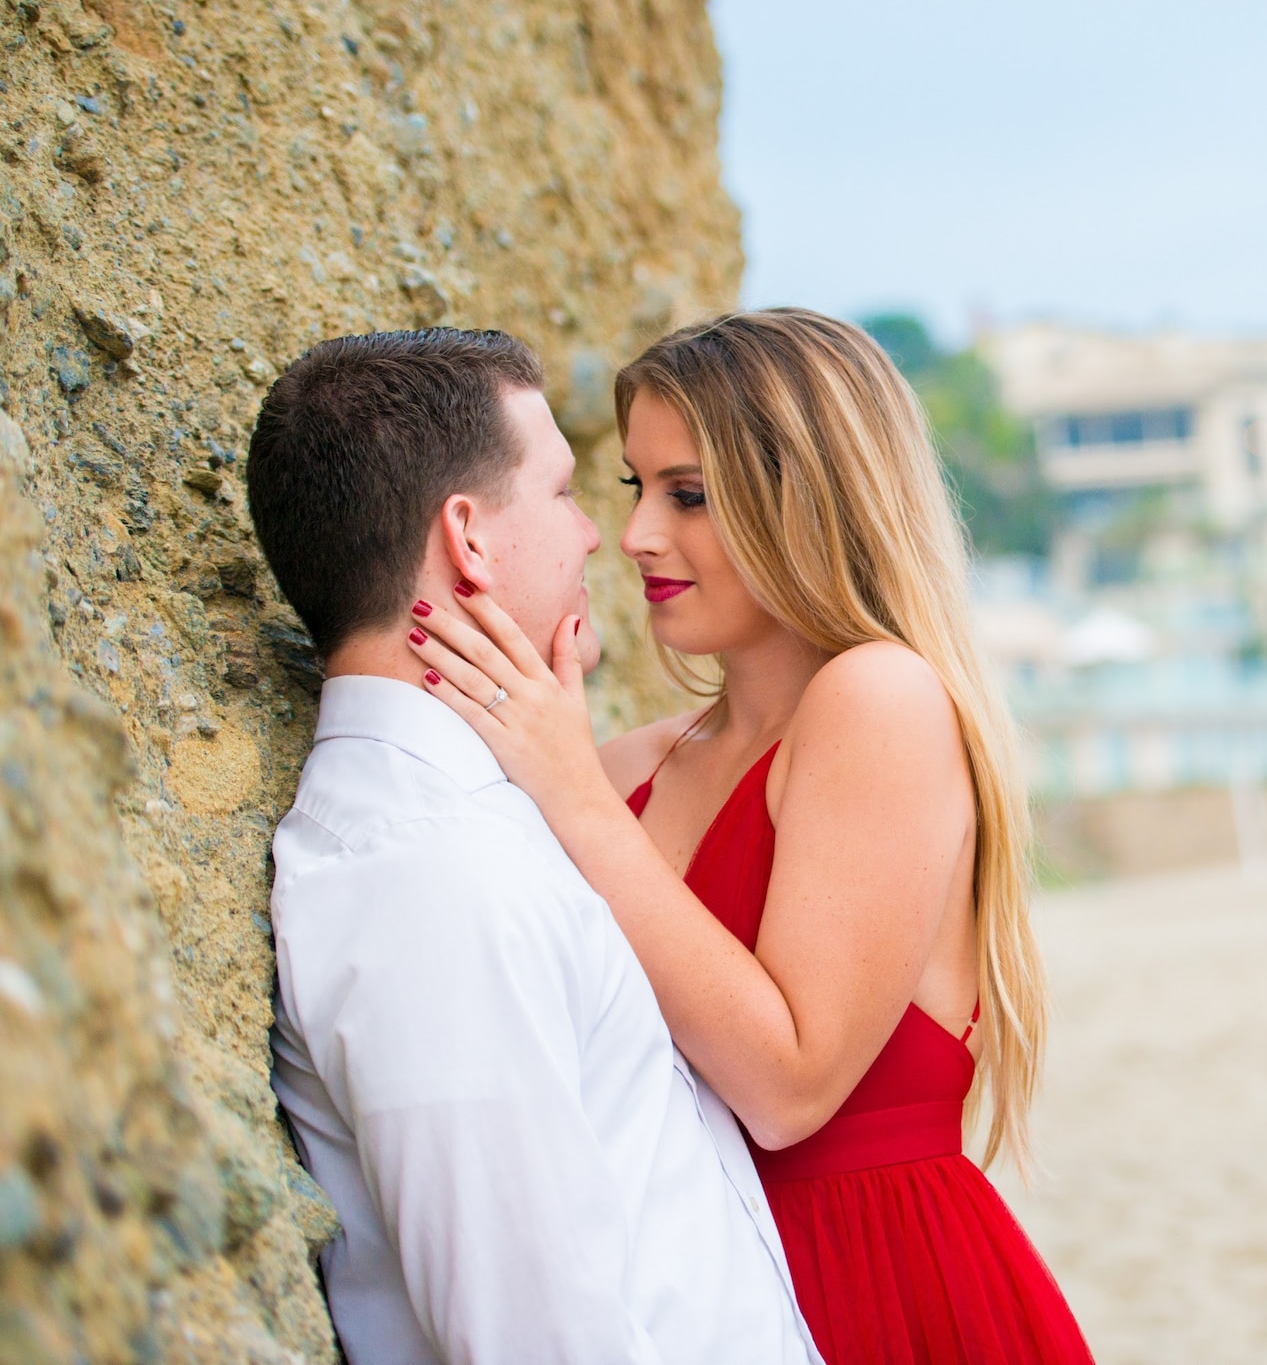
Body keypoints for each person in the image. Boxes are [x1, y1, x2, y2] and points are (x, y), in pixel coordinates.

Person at [402, 309, 1095, 1364]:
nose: (634, 535)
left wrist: (565, 785)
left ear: (807, 499)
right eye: (635, 488)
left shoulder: (880, 698)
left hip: (878, 1287)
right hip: (694, 1293)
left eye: (689, 494)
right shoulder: (622, 765)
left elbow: (787, 1086)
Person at [246, 328, 821, 1365]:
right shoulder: (428, 879)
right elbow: (537, 1338)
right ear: (466, 537)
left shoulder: (472, 830)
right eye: (563, 493)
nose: (601, 536)